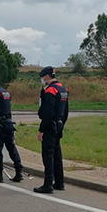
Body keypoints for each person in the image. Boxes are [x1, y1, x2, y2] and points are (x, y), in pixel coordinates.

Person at [34, 66, 70, 194]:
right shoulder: (62, 88)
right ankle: (59, 182)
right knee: (57, 154)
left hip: (50, 126)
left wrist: (41, 130)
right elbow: (66, 111)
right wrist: (62, 124)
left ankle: (48, 184)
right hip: (59, 124)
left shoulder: (50, 91)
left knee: (48, 155)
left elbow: (48, 113)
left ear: (46, 77)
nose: (42, 80)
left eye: (42, 77)